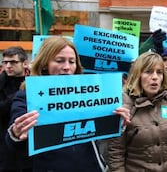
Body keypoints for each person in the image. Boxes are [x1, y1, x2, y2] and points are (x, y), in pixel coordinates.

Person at [5, 37, 130, 172]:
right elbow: (14, 139)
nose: (67, 67)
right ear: (45, 63)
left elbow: (101, 134)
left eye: (72, 62)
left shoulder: (88, 93)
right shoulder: (27, 95)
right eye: (60, 61)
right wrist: (16, 132)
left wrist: (117, 121)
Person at [108, 51, 167, 172]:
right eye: (148, 71)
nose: (154, 77)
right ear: (137, 75)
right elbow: (116, 153)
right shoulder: (124, 107)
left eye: (159, 72)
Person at [0, 46, 31, 172]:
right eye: (5, 62)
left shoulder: (33, 83)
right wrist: (19, 94)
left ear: (24, 63)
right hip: (3, 141)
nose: (8, 66)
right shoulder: (1, 83)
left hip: (25, 142)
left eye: (13, 62)